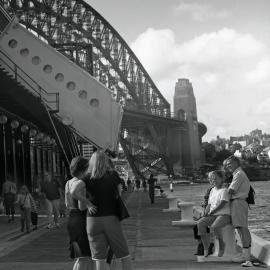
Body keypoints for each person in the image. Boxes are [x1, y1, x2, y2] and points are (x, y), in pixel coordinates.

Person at [85, 150, 133, 270]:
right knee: (124, 254)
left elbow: (76, 193)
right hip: (110, 218)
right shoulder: (113, 175)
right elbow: (119, 193)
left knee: (99, 258)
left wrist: (88, 204)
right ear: (106, 161)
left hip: (92, 220)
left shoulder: (86, 177)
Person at [65, 156, 97, 270]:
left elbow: (67, 205)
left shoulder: (68, 183)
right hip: (81, 220)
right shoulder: (81, 184)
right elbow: (82, 207)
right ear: (84, 169)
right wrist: (90, 203)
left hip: (72, 219)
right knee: (85, 258)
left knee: (80, 257)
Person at [197, 170, 231, 257]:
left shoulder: (224, 190)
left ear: (221, 178)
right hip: (213, 215)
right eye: (211, 179)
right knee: (200, 223)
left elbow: (222, 203)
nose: (213, 180)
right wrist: (205, 213)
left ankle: (222, 246)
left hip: (224, 215)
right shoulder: (212, 190)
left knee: (215, 226)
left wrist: (212, 212)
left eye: (215, 178)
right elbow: (209, 204)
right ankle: (206, 248)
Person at [226, 155, 252, 263]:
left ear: (236, 163)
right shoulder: (238, 174)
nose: (228, 166)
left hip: (238, 202)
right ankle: (246, 254)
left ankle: (245, 256)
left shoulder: (239, 174)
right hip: (240, 203)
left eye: (230, 163)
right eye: (227, 164)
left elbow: (231, 190)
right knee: (242, 228)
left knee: (242, 229)